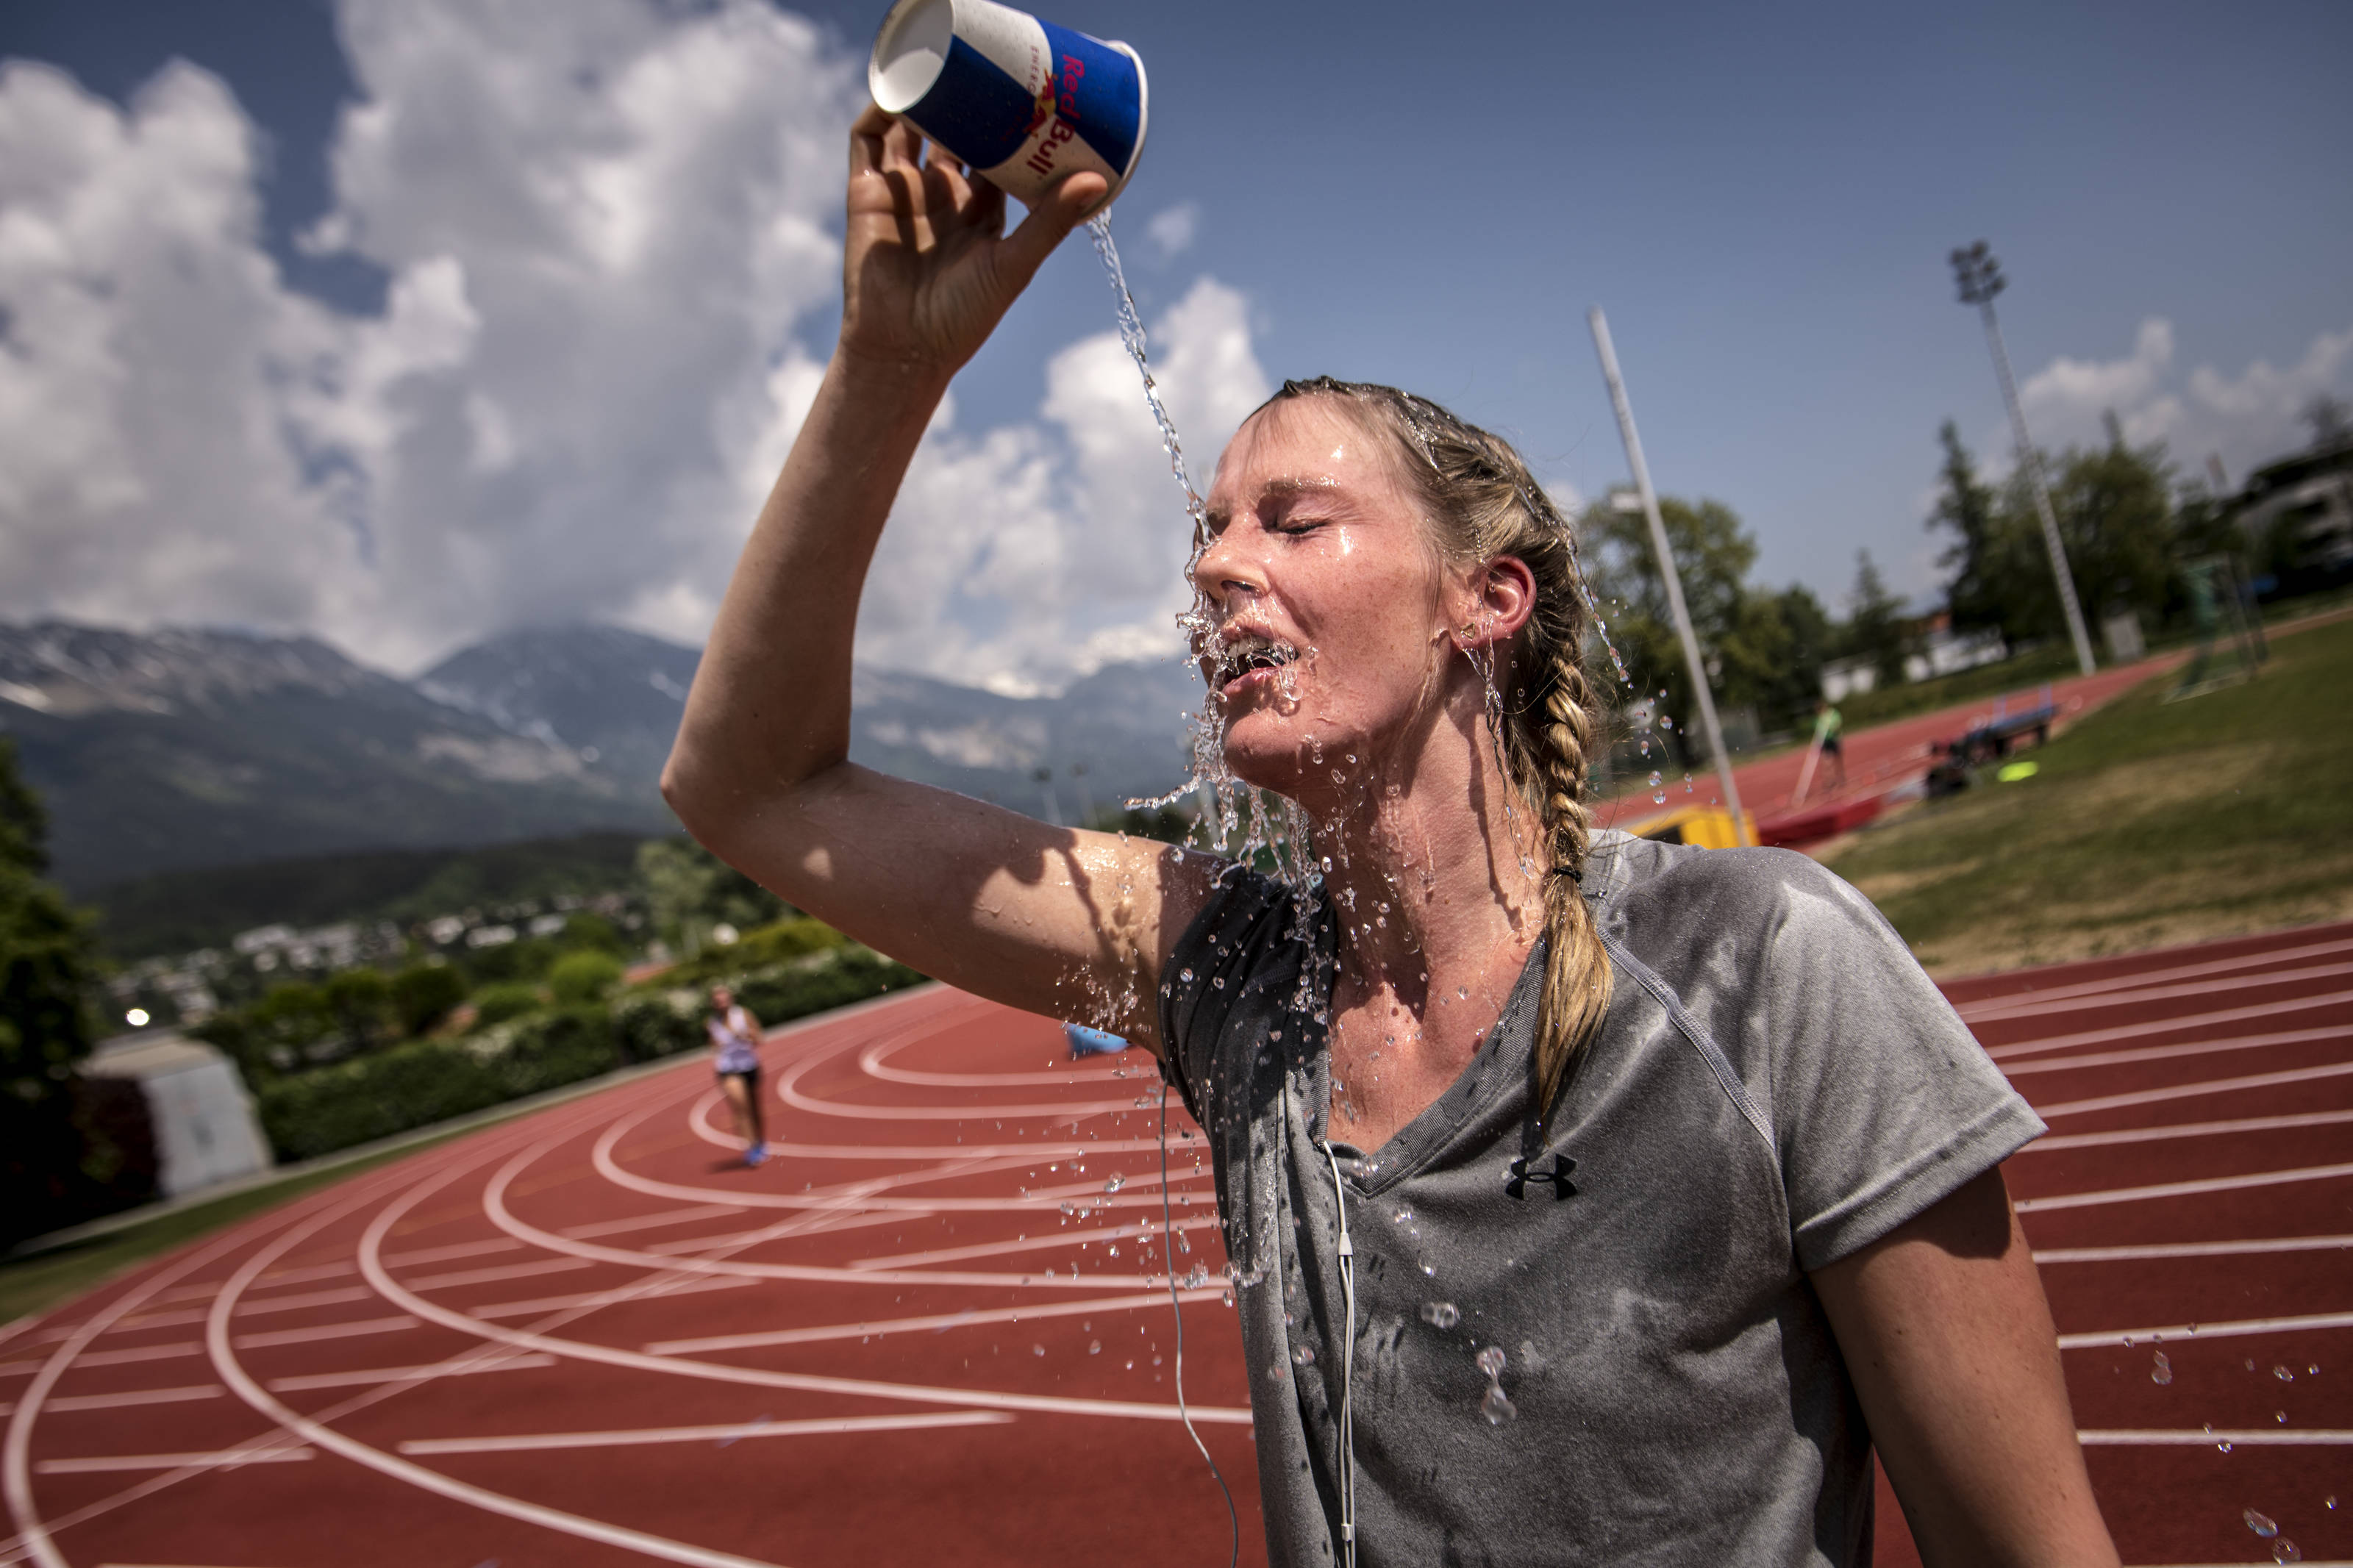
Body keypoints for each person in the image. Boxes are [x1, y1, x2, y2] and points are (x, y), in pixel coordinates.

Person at [662, 105, 2119, 1567]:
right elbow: (752, 789)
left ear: (1482, 600)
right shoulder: (1241, 987)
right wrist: (888, 366)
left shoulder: (1765, 964)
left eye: (1292, 522)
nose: (1216, 567)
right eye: (1211, 534)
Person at [706, 984, 766, 1167]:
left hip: (749, 1065)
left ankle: (760, 1140)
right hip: (728, 1069)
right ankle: (751, 1148)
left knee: (754, 1109)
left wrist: (748, 1037)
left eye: (724, 1000)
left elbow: (760, 1039)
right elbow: (713, 1046)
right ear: (713, 1004)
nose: (722, 1004)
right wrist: (715, 1044)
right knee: (740, 1108)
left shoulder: (743, 1014)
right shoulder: (711, 1023)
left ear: (730, 1000)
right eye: (718, 1002)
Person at [1813, 698, 1848, 792]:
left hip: (1835, 739)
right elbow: (1818, 732)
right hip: (1825, 742)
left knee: (1838, 759)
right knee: (1827, 762)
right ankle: (1829, 781)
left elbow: (1838, 725)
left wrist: (1831, 728)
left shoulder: (1833, 714)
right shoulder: (1818, 718)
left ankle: (1841, 778)